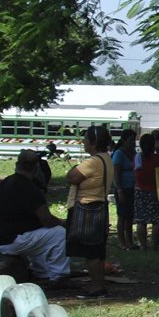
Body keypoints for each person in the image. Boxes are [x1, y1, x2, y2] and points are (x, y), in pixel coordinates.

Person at [0, 150, 71, 285]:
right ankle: (59, 276)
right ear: (37, 169)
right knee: (59, 233)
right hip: (10, 241)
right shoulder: (30, 189)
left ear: (17, 164)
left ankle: (41, 272)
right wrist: (64, 222)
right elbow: (47, 220)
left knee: (39, 237)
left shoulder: (7, 182)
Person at [65, 125, 113, 298]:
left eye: (85, 139)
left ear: (93, 143)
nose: (83, 142)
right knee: (98, 250)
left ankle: (96, 286)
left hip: (88, 208)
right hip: (100, 206)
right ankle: (98, 284)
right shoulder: (105, 159)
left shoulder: (92, 162)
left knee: (90, 251)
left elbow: (72, 176)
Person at [133, 132, 159, 250]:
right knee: (157, 220)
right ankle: (155, 245)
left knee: (141, 220)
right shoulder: (158, 158)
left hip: (140, 190)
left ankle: (143, 245)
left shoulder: (137, 157)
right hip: (155, 191)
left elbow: (136, 172)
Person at [111, 129, 138, 250]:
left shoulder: (133, 153)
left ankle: (130, 240)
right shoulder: (119, 153)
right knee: (122, 215)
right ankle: (122, 242)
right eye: (131, 140)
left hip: (133, 188)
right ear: (124, 140)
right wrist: (119, 190)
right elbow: (115, 173)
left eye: (134, 140)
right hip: (122, 188)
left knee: (130, 216)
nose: (133, 142)